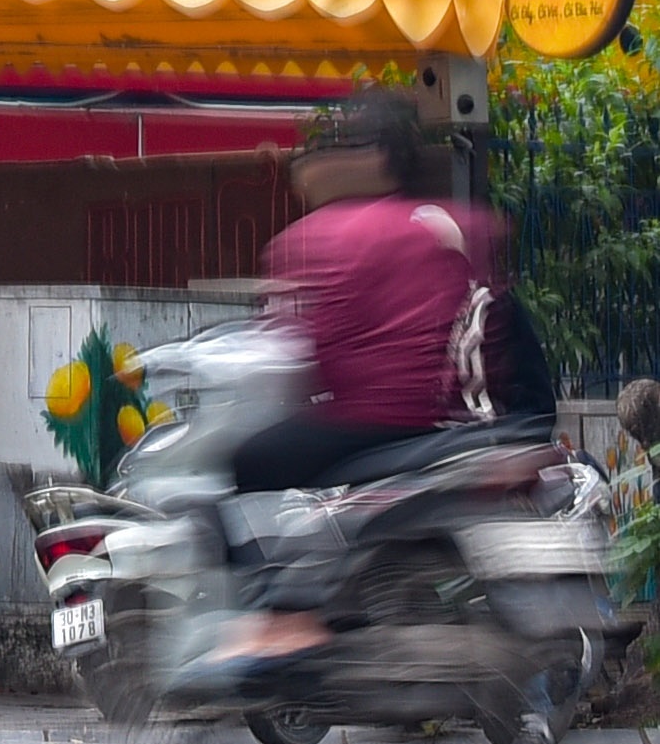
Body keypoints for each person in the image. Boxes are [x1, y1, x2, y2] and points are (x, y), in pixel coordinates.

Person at [187, 87, 515, 680]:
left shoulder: (322, 237)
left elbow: (306, 350)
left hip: (363, 420)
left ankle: (283, 616)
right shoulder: (454, 225)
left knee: (245, 464)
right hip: (443, 425)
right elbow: (487, 321)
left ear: (367, 156)